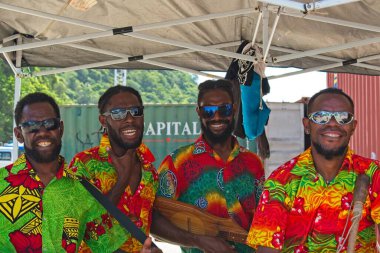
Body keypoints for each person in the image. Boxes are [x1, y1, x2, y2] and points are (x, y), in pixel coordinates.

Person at [0, 92, 157, 253]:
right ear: (18, 134)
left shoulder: (82, 189)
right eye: (32, 126)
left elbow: (104, 247)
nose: (42, 132)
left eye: (50, 124)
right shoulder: (1, 184)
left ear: (60, 129)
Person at [247, 88, 380, 252]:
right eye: (321, 117)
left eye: (343, 118)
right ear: (307, 125)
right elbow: (267, 248)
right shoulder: (282, 180)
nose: (332, 123)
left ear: (353, 127)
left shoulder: (373, 174)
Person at [152, 79, 265, 253]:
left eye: (224, 109)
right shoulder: (177, 162)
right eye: (209, 111)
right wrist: (198, 241)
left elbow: (264, 220)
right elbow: (153, 219)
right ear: (199, 112)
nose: (217, 117)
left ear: (234, 109)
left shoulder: (253, 163)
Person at [66, 86, 160, 253]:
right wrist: (121, 181)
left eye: (135, 111)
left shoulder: (149, 168)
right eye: (118, 113)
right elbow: (75, 228)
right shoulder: (85, 164)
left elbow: (148, 222)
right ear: (104, 121)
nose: (130, 119)